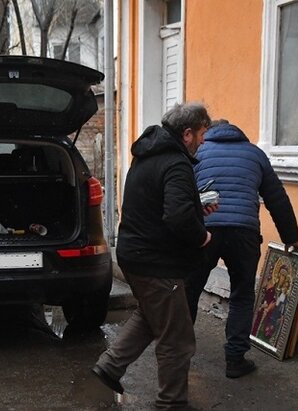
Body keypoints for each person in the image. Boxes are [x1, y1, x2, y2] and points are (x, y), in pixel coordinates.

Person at [91, 102, 214, 409]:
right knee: (177, 339)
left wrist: (195, 207)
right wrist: (202, 235)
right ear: (187, 133)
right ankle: (171, 402)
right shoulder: (176, 163)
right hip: (157, 262)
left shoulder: (146, 158)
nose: (203, 141)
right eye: (202, 134)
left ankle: (110, 366)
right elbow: (176, 216)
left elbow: (156, 206)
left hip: (135, 255)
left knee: (150, 314)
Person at [185, 119, 298, 379]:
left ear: (209, 132)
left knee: (189, 290)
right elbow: (276, 197)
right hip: (244, 232)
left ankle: (179, 355)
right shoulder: (254, 154)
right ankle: (235, 360)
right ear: (239, 134)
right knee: (242, 294)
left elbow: (183, 193)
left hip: (205, 231)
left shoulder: (198, 152)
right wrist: (291, 237)